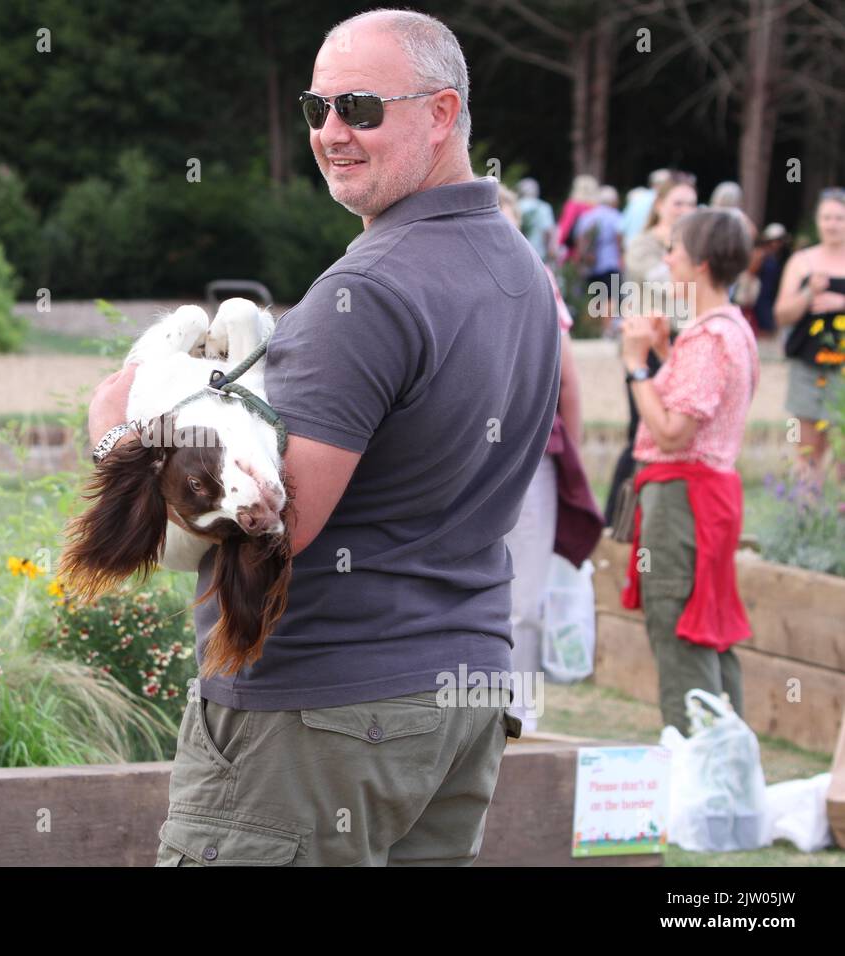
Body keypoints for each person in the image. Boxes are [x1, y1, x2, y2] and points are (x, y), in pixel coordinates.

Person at [87, 8, 560, 866]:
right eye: (318, 110)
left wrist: (119, 431)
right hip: (460, 696)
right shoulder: (519, 267)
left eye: (361, 109)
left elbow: (269, 525)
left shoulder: (369, 292)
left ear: (443, 113)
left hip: (322, 717)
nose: (333, 132)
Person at [619, 208, 758, 735]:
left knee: (679, 625)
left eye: (675, 248)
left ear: (699, 263)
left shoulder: (707, 338)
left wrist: (636, 366)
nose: (668, 257)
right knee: (710, 625)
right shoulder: (734, 329)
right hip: (712, 497)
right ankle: (728, 757)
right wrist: (662, 354)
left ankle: (698, 760)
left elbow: (675, 433)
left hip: (683, 498)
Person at [498, 185, 601, 734]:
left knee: (525, 598)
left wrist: (570, 460)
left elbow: (569, 380)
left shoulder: (538, 282)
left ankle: (521, 716)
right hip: (464, 465)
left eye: (509, 225)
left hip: (532, 460)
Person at [604, 171, 698, 522]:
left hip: (679, 342)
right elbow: (669, 285)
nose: (685, 209)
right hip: (645, 345)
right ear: (660, 206)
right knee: (640, 431)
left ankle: (650, 516)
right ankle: (615, 517)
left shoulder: (691, 248)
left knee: (670, 435)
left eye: (691, 203)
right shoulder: (645, 244)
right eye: (678, 202)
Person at [772, 187, 845, 484]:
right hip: (808, 366)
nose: (832, 224)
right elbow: (781, 314)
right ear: (817, 221)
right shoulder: (802, 262)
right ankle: (805, 522)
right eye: (826, 217)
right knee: (807, 451)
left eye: (839, 218)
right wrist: (808, 293)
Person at [574, 185, 624, 336]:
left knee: (595, 297)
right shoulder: (615, 215)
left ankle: (594, 329)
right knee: (610, 296)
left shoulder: (587, 216)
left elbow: (579, 239)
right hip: (610, 262)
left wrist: (581, 260)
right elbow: (619, 238)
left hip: (591, 264)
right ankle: (608, 328)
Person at [749, 223, 787, 338]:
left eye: (779, 241)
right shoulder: (761, 253)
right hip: (760, 295)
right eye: (773, 241)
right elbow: (751, 272)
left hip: (771, 294)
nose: (776, 244)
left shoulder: (778, 256)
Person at [554, 174, 599, 266]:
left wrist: (557, 245)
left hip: (572, 252)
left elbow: (565, 228)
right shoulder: (596, 208)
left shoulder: (573, 205)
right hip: (592, 254)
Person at [619, 168, 671, 247]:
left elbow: (622, 228)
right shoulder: (664, 201)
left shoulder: (637, 198)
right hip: (650, 246)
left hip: (630, 246)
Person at [517, 177, 555, 264]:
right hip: (539, 254)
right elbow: (549, 232)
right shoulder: (544, 207)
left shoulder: (516, 206)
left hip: (519, 253)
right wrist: (550, 251)